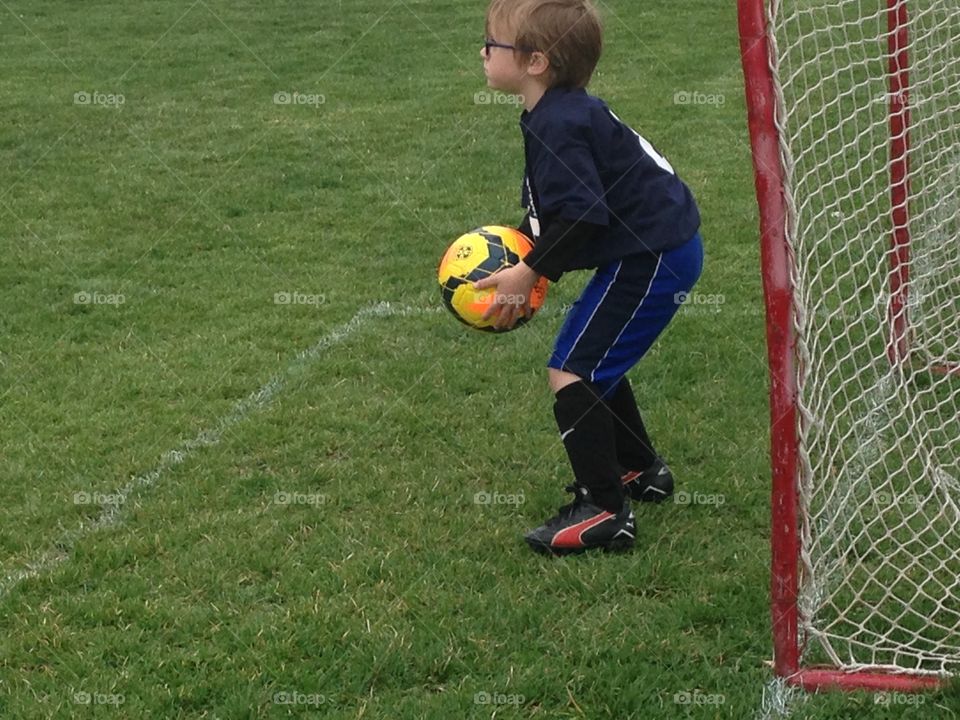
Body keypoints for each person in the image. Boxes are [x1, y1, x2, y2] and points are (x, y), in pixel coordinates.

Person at [473, 0, 704, 554]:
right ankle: (637, 469)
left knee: (572, 372)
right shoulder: (559, 111)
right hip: (657, 247)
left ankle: (604, 512)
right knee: (592, 362)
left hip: (654, 257)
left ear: (536, 62)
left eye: (491, 43)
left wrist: (528, 272)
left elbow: (583, 213)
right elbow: (564, 209)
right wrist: (519, 249)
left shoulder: (560, 122)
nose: (481, 52)